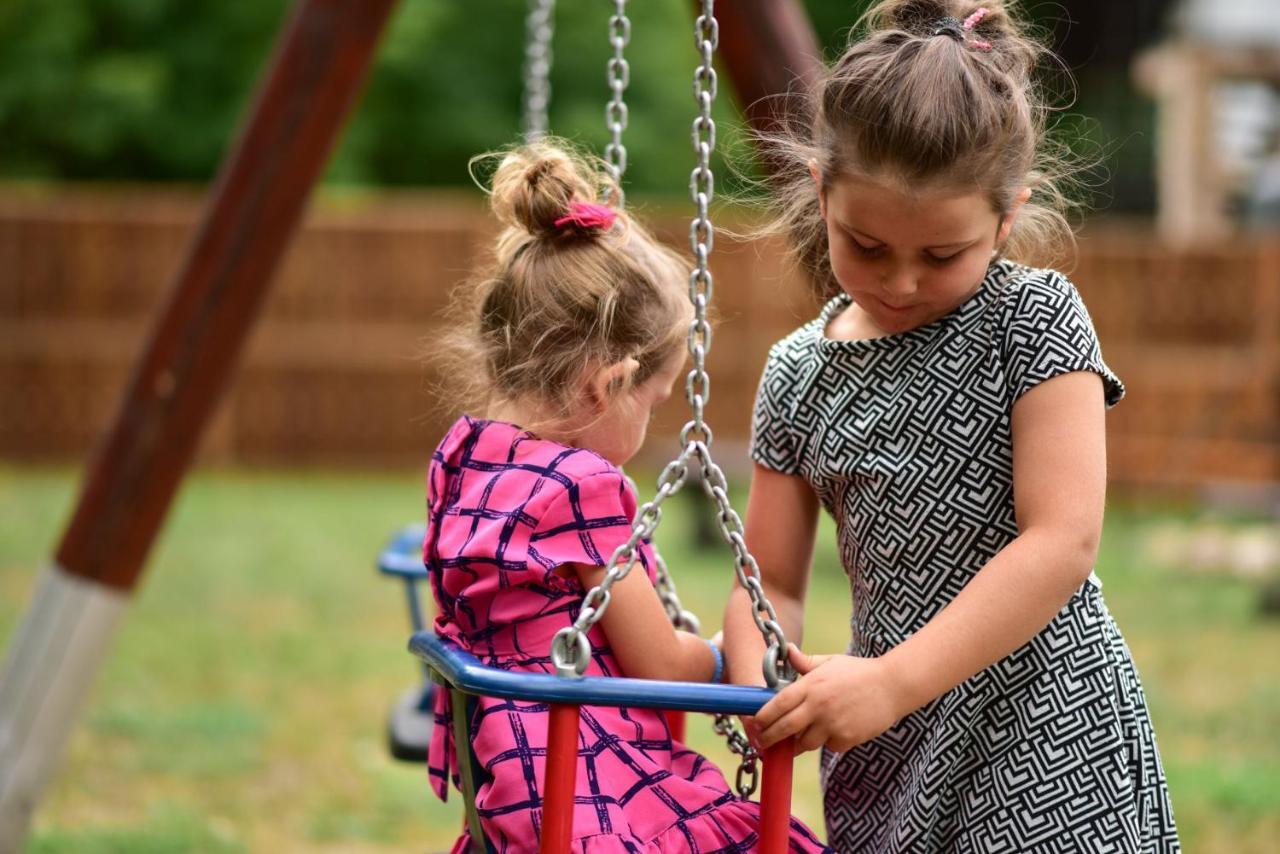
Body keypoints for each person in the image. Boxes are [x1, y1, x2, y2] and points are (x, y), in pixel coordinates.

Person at [721, 2, 1181, 851]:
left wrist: (895, 681)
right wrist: (760, 678)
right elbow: (772, 583)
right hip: (889, 745)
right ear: (821, 192)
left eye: (941, 255)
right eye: (864, 244)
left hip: (1049, 731)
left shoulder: (1034, 322)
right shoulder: (797, 374)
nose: (898, 281)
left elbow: (1061, 541)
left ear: (1007, 215)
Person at [424, 141, 829, 853]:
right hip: (584, 784)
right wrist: (723, 656)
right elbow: (660, 668)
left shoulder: (461, 458)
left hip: (502, 778)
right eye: (654, 399)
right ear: (609, 385)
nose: (652, 421)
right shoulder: (585, 488)